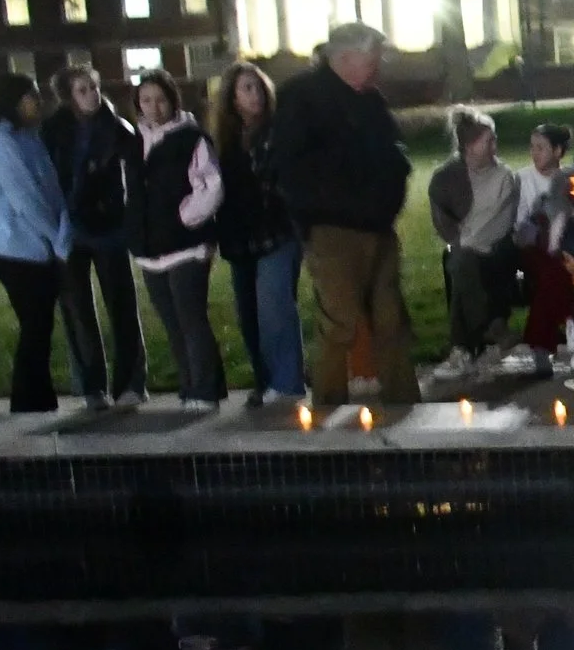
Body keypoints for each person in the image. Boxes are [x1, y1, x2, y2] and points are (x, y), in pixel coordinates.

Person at [271, 22, 418, 407]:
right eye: (372, 59)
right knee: (341, 321)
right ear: (345, 58)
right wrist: (321, 207)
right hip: (331, 229)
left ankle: (404, 402)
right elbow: (288, 167)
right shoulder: (302, 98)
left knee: (391, 320)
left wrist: (392, 182)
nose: (378, 67)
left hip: (379, 227)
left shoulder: (371, 102)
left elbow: (392, 151)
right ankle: (329, 404)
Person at [39, 63, 146, 406]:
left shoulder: (117, 129)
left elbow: (134, 177)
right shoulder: (54, 130)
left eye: (95, 88)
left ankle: (131, 384)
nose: (91, 95)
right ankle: (90, 386)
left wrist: (120, 211)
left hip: (108, 228)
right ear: (69, 97)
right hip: (68, 229)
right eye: (82, 90)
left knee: (121, 305)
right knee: (77, 310)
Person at [126, 69, 228, 412]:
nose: (153, 107)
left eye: (160, 99)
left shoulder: (191, 139)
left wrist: (185, 218)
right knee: (171, 322)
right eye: (146, 100)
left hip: (187, 246)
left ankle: (205, 390)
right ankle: (190, 386)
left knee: (191, 318)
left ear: (173, 100)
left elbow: (211, 186)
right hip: (149, 250)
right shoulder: (134, 141)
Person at [206, 60, 304, 406]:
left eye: (259, 87)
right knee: (248, 315)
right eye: (247, 88)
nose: (256, 95)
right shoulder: (224, 142)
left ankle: (288, 383)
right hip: (239, 237)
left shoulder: (278, 132)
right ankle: (266, 380)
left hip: (277, 233)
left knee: (275, 306)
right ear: (232, 99)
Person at [0, 72, 68, 414]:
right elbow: (27, 199)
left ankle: (36, 399)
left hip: (28, 247)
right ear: (12, 102)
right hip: (14, 249)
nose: (38, 102)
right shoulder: (2, 144)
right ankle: (30, 402)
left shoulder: (27, 136)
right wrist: (58, 241)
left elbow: (49, 189)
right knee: (36, 325)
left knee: (38, 326)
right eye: (31, 96)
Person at [426, 105, 521, 380]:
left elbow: (500, 222)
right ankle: (491, 325)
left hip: (499, 249)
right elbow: (443, 222)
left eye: (494, 139)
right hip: (465, 248)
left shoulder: (504, 177)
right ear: (469, 145)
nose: (495, 145)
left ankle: (462, 350)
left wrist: (467, 244)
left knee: (461, 263)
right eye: (488, 140)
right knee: (461, 262)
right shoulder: (447, 178)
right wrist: (461, 242)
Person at [511, 121, 574, 379]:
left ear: (558, 151)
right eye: (532, 147)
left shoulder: (572, 178)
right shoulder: (523, 179)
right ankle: (573, 322)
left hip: (567, 245)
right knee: (554, 273)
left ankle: (543, 342)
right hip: (532, 245)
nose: (534, 152)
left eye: (541, 147)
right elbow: (519, 225)